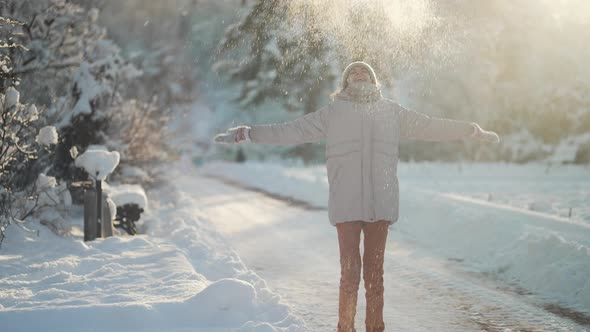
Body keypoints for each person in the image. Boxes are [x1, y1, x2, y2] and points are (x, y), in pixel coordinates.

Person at [213, 61, 499, 332]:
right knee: (350, 275)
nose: (360, 73)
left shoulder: (392, 111)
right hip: (346, 205)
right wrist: (248, 133)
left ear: (374, 80)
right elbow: (291, 131)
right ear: (346, 81)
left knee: (375, 277)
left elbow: (431, 125)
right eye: (354, 72)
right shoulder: (332, 113)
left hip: (381, 205)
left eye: (365, 71)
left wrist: (470, 130)